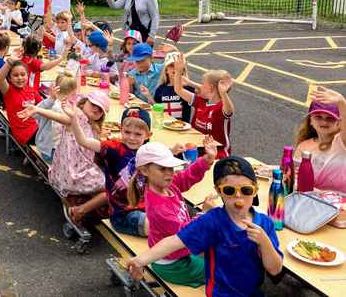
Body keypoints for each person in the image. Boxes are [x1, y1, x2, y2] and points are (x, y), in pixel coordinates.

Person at [127, 156, 283, 296]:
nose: (238, 196)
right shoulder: (212, 221)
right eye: (229, 190)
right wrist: (140, 261)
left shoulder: (264, 223)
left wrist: (264, 242)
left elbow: (275, 269)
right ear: (218, 191)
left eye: (246, 190)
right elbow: (174, 241)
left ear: (255, 190)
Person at [126, 138, 217, 287]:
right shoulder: (158, 208)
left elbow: (186, 176)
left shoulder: (166, 185)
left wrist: (206, 160)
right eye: (162, 168)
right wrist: (203, 214)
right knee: (221, 267)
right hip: (173, 265)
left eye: (171, 168)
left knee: (217, 254)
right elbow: (184, 233)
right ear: (144, 170)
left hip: (179, 254)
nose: (169, 173)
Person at [19, 89, 109, 225]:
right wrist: (38, 110)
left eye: (100, 109)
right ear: (84, 103)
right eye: (93, 104)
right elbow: (60, 117)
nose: (96, 109)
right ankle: (80, 210)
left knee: (105, 176)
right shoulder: (77, 116)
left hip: (65, 172)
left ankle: (87, 202)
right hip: (73, 176)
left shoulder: (88, 122)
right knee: (112, 188)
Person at [68, 106, 152, 236]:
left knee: (172, 217)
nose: (131, 138)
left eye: (138, 134)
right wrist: (73, 119)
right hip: (123, 215)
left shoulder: (150, 151)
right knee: (154, 225)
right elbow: (83, 141)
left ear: (148, 135)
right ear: (120, 130)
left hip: (148, 208)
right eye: (127, 132)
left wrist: (173, 152)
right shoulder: (113, 149)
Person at [172, 53, 234, 159]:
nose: (199, 85)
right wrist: (178, 71)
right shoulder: (201, 101)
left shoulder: (221, 106)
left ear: (210, 87)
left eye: (202, 83)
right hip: (196, 150)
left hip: (217, 154)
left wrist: (223, 93)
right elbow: (179, 90)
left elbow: (229, 111)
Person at [294, 86, 346, 193]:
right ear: (311, 121)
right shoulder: (304, 145)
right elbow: (295, 176)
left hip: (340, 204)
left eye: (330, 118)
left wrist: (341, 102)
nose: (324, 122)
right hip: (310, 199)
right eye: (318, 117)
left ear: (339, 123)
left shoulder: (341, 142)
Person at [0, 55, 41, 146]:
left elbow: (44, 105)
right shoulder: (8, 91)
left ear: (27, 75)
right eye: (15, 75)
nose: (20, 78)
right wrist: (9, 63)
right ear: (9, 78)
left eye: (23, 74)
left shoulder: (31, 90)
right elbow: (0, 78)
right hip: (24, 134)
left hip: (36, 128)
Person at [141, 51, 195, 121]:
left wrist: (190, 83)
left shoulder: (188, 88)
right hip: (165, 124)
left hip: (182, 128)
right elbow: (158, 108)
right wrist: (149, 96)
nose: (176, 68)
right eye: (172, 65)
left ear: (183, 69)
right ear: (166, 70)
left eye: (178, 66)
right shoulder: (161, 89)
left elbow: (203, 96)